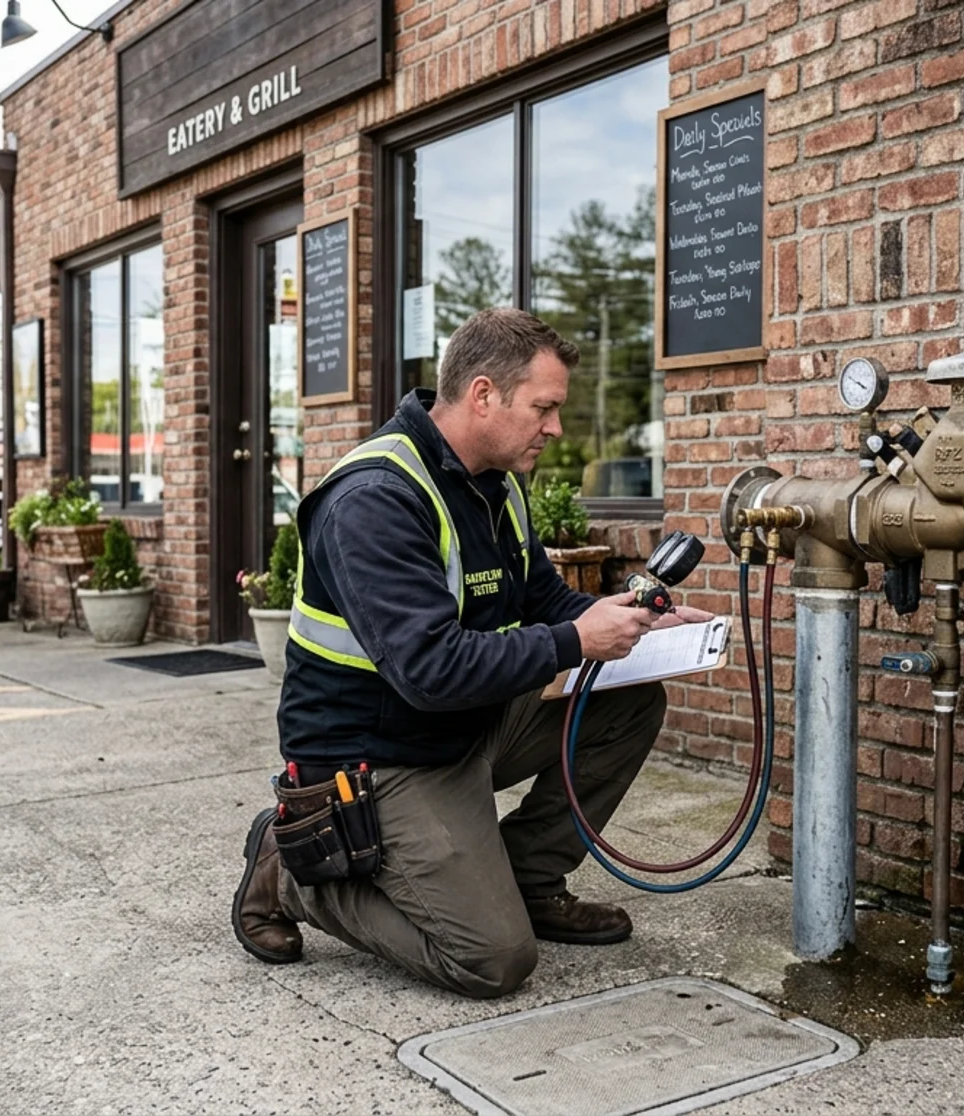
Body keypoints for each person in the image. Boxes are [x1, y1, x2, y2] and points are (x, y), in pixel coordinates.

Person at [231, 307, 713, 998]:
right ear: (483, 394)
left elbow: (545, 602)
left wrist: (635, 624)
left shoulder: (496, 483)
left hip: (462, 724)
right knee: (492, 961)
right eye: (544, 408)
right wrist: (578, 640)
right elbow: (429, 670)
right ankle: (295, 872)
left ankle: (531, 880)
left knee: (630, 697)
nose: (555, 428)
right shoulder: (374, 500)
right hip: (378, 758)